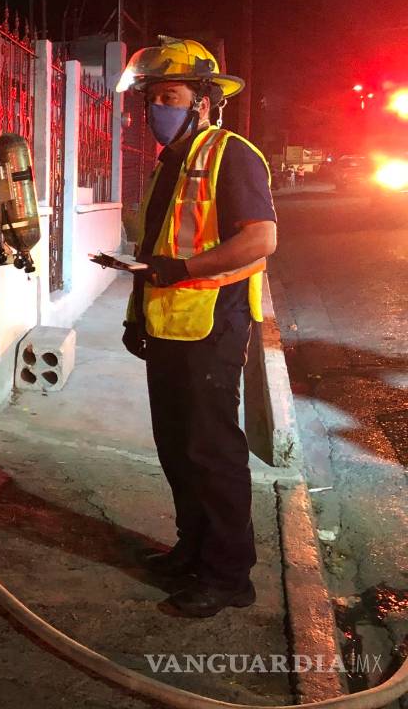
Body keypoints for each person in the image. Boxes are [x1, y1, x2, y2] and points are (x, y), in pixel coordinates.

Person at [116, 37, 277, 617]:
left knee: (212, 452)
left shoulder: (232, 155)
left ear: (204, 101)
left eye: (170, 95)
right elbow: (153, 251)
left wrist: (184, 270)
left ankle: (229, 575)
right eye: (152, 98)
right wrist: (137, 316)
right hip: (168, 328)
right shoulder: (169, 164)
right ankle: (192, 549)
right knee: (176, 447)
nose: (158, 108)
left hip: (214, 327)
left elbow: (260, 240)